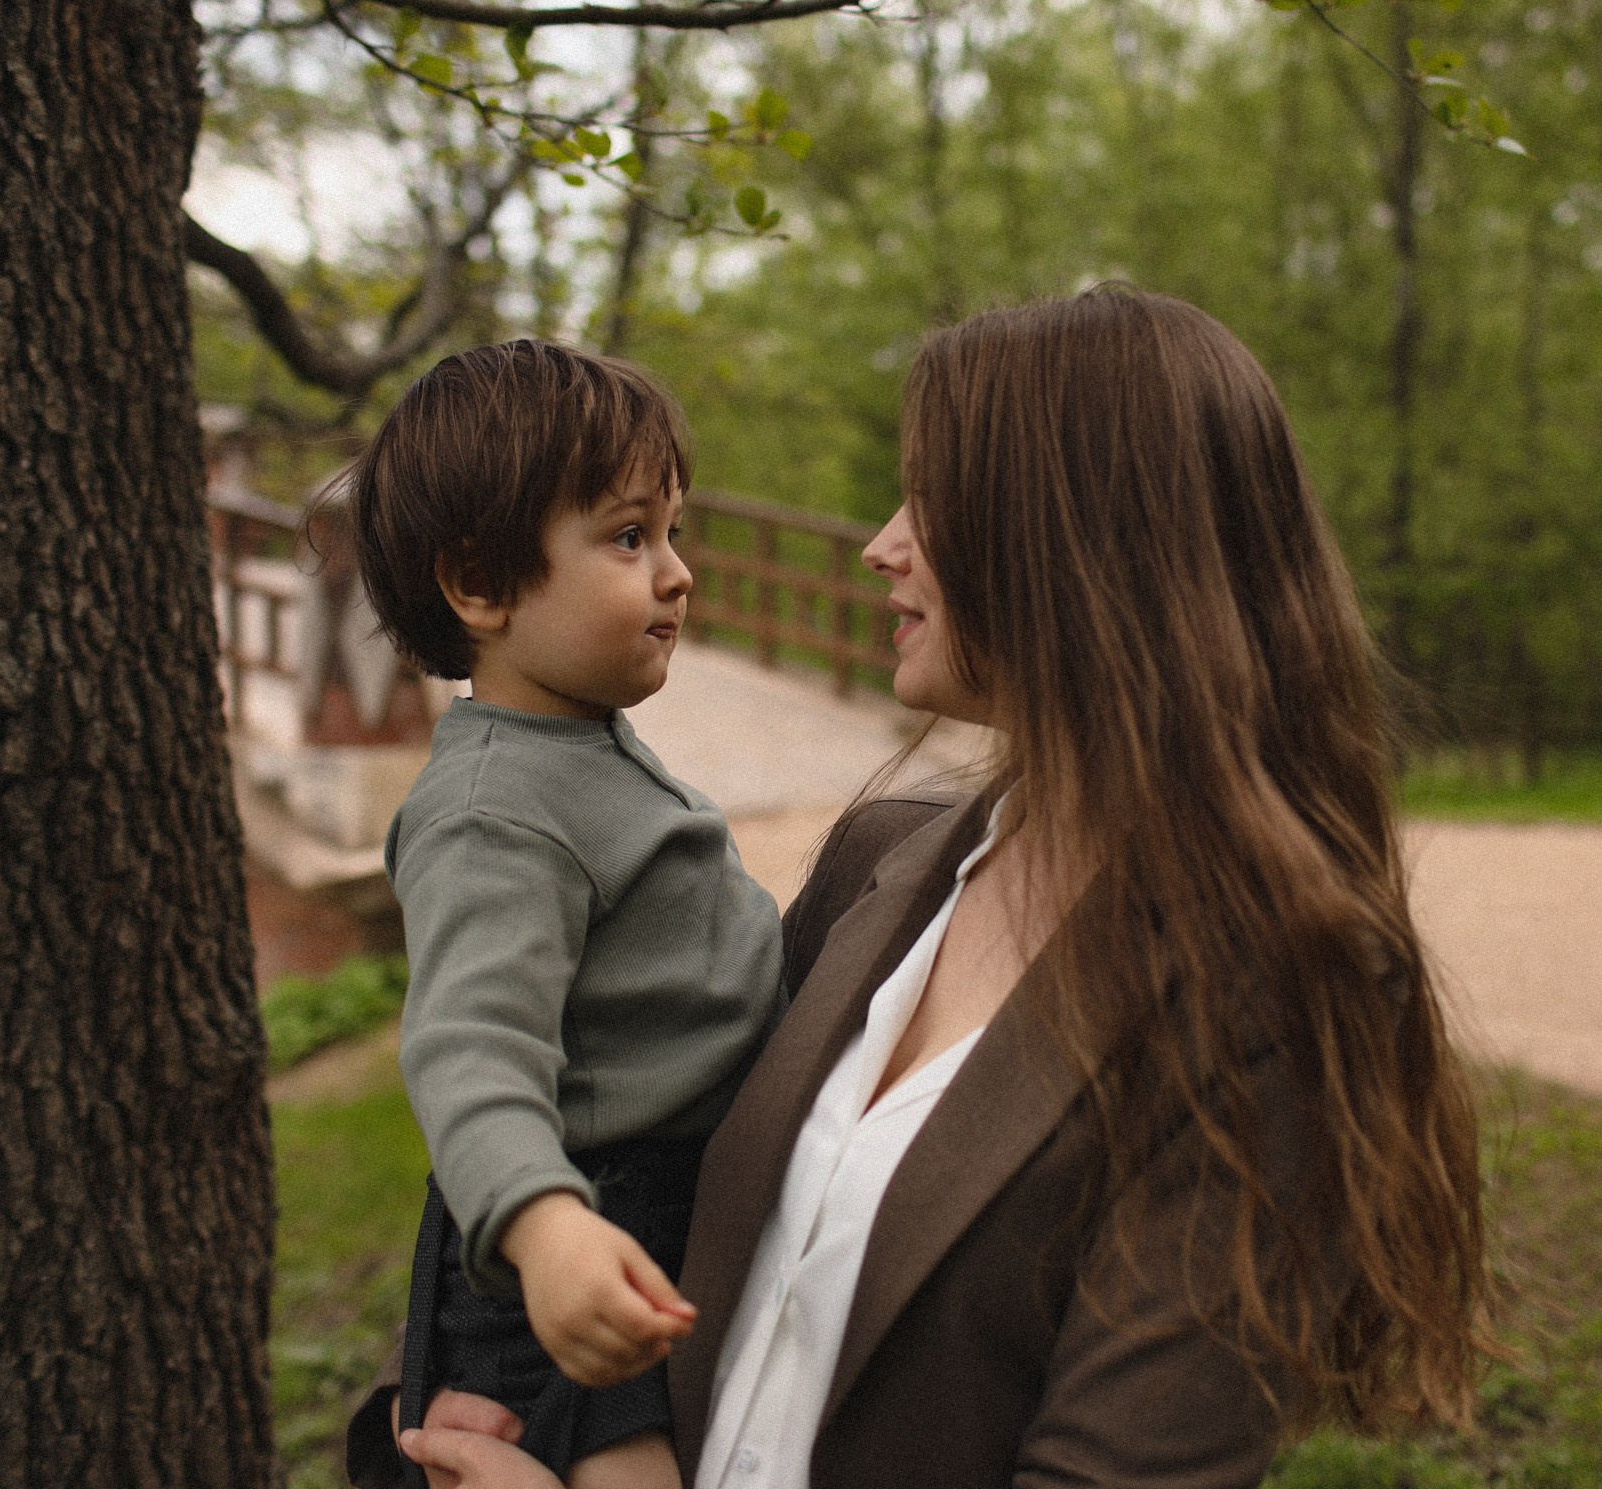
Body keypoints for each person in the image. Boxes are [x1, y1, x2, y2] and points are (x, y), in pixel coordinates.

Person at [370, 287, 1491, 1489]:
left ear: (1074, 542)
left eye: (932, 501)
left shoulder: (1271, 998)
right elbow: (581, 1116)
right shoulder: (884, 868)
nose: (880, 544)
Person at [349, 340, 787, 1489]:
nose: (679, 571)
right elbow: (468, 1048)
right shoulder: (494, 810)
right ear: (480, 584)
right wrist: (547, 1231)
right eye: (630, 536)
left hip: (640, 1212)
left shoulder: (570, 744)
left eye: (674, 531)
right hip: (578, 1241)